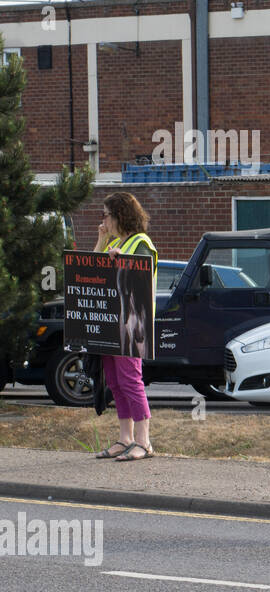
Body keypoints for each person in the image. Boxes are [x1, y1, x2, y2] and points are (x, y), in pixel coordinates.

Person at [92, 192, 158, 461]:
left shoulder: (140, 243)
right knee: (116, 382)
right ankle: (125, 438)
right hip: (112, 324)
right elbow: (92, 273)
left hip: (132, 325)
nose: (103, 220)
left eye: (106, 214)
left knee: (131, 381)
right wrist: (101, 242)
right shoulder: (117, 243)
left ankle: (144, 441)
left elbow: (139, 274)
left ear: (120, 215)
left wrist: (120, 260)